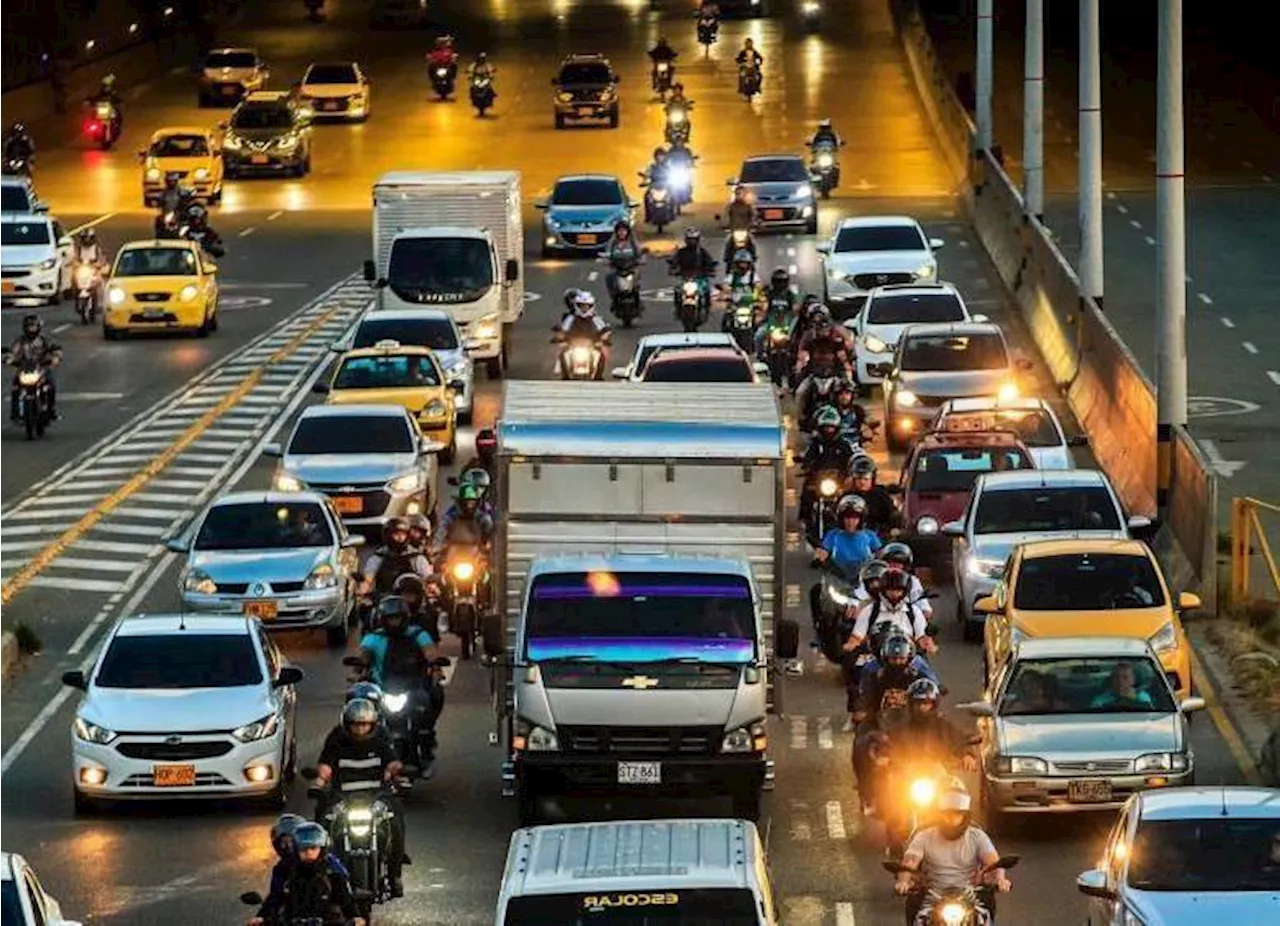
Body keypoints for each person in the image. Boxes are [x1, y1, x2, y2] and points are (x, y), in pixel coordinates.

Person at [312, 699, 407, 897]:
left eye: (364, 724)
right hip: (343, 796)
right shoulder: (336, 738)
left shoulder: (381, 736)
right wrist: (319, 782)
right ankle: (320, 872)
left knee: (396, 823)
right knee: (321, 822)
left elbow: (391, 761)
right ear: (347, 724)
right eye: (356, 724)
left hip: (376, 796)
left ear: (372, 724)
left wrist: (398, 775)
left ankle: (394, 874)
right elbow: (326, 765)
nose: (360, 729)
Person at [352, 595, 445, 775]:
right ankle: (358, 751)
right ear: (383, 619)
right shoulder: (373, 638)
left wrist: (435, 667)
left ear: (405, 618)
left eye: (397, 618)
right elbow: (362, 656)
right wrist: (357, 671)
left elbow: (430, 652)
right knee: (357, 704)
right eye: (390, 618)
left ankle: (425, 746)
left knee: (433, 696)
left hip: (413, 687)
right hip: (382, 687)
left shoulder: (418, 634)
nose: (394, 622)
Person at [895, 782, 1011, 925]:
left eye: (957, 814)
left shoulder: (977, 836)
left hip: (969, 896)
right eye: (947, 814)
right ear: (939, 814)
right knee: (917, 917)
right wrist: (904, 881)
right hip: (933, 896)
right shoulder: (924, 836)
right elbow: (910, 862)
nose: (951, 819)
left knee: (985, 916)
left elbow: (993, 862)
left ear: (965, 816)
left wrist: (1000, 879)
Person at [852, 637, 943, 809]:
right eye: (893, 659)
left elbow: (932, 691)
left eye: (901, 658)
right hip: (881, 726)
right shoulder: (875, 677)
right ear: (886, 659)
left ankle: (941, 796)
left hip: (911, 726)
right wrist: (862, 711)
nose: (897, 662)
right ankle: (867, 792)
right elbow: (865, 698)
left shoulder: (918, 677)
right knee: (860, 745)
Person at [248, 821, 365, 926]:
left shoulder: (333, 870)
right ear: (296, 849)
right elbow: (275, 896)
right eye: (303, 849)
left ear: (322, 848)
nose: (308, 853)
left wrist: (355, 917)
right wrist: (261, 916)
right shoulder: (286, 869)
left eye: (313, 848)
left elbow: (345, 898)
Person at [844, 568, 934, 658]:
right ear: (883, 590)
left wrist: (929, 645)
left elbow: (922, 637)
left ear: (905, 591)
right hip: (875, 657)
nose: (894, 594)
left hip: (908, 658)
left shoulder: (914, 611)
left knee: (927, 672)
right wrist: (850, 645)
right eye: (890, 590)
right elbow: (857, 636)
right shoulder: (869, 611)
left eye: (898, 590)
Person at [798, 406, 859, 523]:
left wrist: (849, 473)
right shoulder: (816, 444)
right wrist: (806, 466)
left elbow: (851, 460)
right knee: (807, 491)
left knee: (851, 496)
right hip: (819, 480)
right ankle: (805, 517)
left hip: (839, 481)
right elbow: (808, 457)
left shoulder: (843, 445)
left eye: (831, 427)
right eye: (826, 427)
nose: (829, 430)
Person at [7, 314, 61, 422]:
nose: (31, 329)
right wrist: (10, 359)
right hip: (24, 369)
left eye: (33, 327)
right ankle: (15, 412)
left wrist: (55, 357)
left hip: (41, 368)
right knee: (15, 388)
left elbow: (55, 349)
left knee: (51, 386)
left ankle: (51, 410)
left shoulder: (44, 340)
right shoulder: (20, 341)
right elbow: (13, 352)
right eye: (29, 327)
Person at [360, 518, 431, 600]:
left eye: (403, 534)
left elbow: (428, 578)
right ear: (388, 535)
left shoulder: (416, 557)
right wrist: (364, 589)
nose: (400, 538)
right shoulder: (379, 556)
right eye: (396, 534)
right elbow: (368, 579)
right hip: (386, 601)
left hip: (414, 603)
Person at [846, 454, 901, 537]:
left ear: (872, 478)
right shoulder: (847, 497)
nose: (862, 482)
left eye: (866, 479)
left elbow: (893, 516)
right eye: (859, 478)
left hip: (877, 538)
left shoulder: (880, 495)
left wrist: (892, 528)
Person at [794, 303, 854, 379]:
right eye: (815, 322)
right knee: (800, 390)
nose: (820, 326)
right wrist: (800, 366)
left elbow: (848, 349)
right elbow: (802, 354)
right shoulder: (808, 336)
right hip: (814, 372)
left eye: (822, 321)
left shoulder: (838, 332)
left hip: (836, 372)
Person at [434, 482, 496, 553]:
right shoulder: (452, 515)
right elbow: (442, 527)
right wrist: (438, 544)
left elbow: (488, 527)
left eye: (472, 501)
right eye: (466, 501)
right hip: (454, 550)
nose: (469, 505)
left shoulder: (481, 517)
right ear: (461, 501)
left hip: (475, 551)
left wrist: (486, 541)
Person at [879, 541, 933, 619]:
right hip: (878, 621)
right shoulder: (876, 579)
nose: (894, 566)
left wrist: (925, 612)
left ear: (906, 565)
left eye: (899, 562)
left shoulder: (912, 581)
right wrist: (855, 606)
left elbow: (923, 605)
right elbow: (861, 596)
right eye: (891, 562)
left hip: (905, 623)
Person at [603, 220, 643, 305]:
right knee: (609, 277)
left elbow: (639, 253)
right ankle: (614, 298)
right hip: (617, 268)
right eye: (620, 231)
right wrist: (606, 260)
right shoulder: (613, 243)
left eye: (624, 231)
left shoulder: (632, 242)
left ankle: (637, 298)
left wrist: (641, 259)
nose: (622, 233)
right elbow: (607, 253)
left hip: (631, 267)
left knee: (637, 276)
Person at [1089, 661, 1154, 710]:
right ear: (1111, 679)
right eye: (1117, 677)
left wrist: (1134, 700)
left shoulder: (1142, 697)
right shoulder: (1100, 701)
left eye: (1125, 677)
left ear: (1133, 680)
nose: (1120, 681)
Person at [723, 185, 756, 263]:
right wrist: (723, 224)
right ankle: (727, 257)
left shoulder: (748, 206)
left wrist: (755, 222)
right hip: (734, 231)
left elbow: (754, 215)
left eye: (740, 194)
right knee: (728, 243)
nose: (739, 196)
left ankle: (754, 256)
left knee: (752, 243)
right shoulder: (731, 206)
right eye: (737, 194)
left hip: (746, 231)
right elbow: (725, 216)